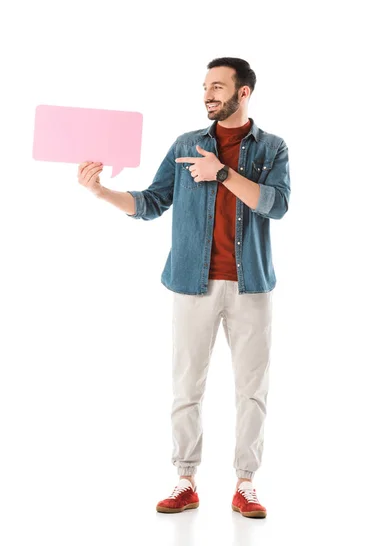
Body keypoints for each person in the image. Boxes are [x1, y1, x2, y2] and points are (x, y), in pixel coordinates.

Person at [77, 57, 291, 519]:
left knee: (252, 388)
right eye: (205, 87)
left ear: (244, 92)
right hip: (192, 284)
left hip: (251, 285)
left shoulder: (271, 147)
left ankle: (246, 484)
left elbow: (275, 205)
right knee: (186, 385)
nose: (208, 94)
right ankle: (185, 479)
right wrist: (101, 192)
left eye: (218, 86)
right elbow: (153, 202)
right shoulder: (185, 144)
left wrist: (221, 172)